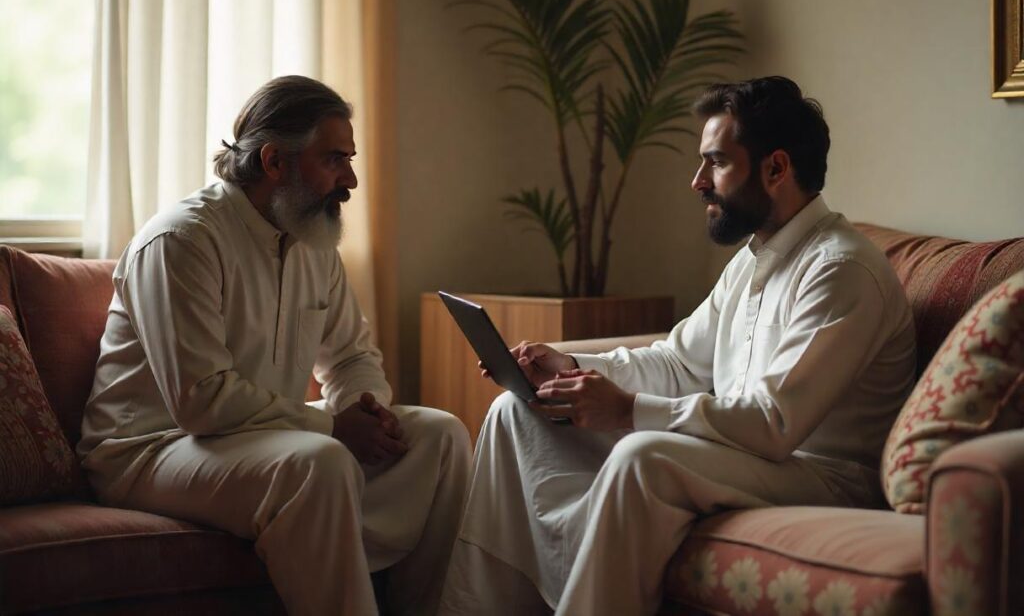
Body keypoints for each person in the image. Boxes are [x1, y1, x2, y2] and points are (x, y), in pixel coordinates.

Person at [438, 76, 917, 615]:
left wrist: (628, 410)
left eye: (715, 162)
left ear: (776, 168)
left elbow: (775, 423)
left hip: (821, 476)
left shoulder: (840, 270)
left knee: (645, 456)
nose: (697, 181)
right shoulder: (754, 260)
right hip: (747, 454)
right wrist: (569, 368)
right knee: (516, 412)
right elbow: (678, 361)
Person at [79, 75, 471, 616]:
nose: (351, 179)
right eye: (335, 159)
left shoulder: (313, 239)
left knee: (440, 436)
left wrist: (366, 411)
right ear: (273, 162)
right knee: (320, 460)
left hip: (258, 437)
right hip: (150, 449)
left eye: (349, 159)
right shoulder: (182, 240)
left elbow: (352, 356)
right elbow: (202, 400)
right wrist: (334, 426)